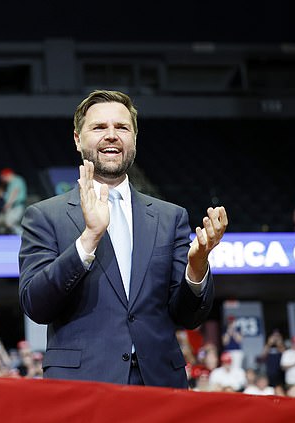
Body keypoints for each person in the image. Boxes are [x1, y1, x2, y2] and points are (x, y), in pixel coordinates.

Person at [18, 90, 228, 387]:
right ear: (78, 139)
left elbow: (188, 317)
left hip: (160, 385)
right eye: (99, 127)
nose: (112, 135)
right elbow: (35, 305)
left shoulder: (171, 218)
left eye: (122, 127)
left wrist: (196, 267)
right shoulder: (44, 216)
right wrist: (89, 238)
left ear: (134, 139)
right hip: (81, 387)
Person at [0, 168, 27, 235]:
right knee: (7, 223)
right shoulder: (11, 183)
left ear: (7, 175)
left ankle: (24, 237)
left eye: (3, 177)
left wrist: (8, 204)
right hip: (13, 206)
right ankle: (20, 236)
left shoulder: (16, 180)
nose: (3, 180)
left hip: (17, 206)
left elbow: (15, 192)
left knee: (10, 222)